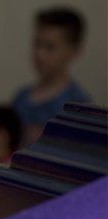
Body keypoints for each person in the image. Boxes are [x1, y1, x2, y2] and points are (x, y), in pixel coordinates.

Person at [12, 7, 91, 147]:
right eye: (37, 44)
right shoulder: (21, 98)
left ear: (74, 51)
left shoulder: (78, 106)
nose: (40, 54)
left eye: (50, 47)